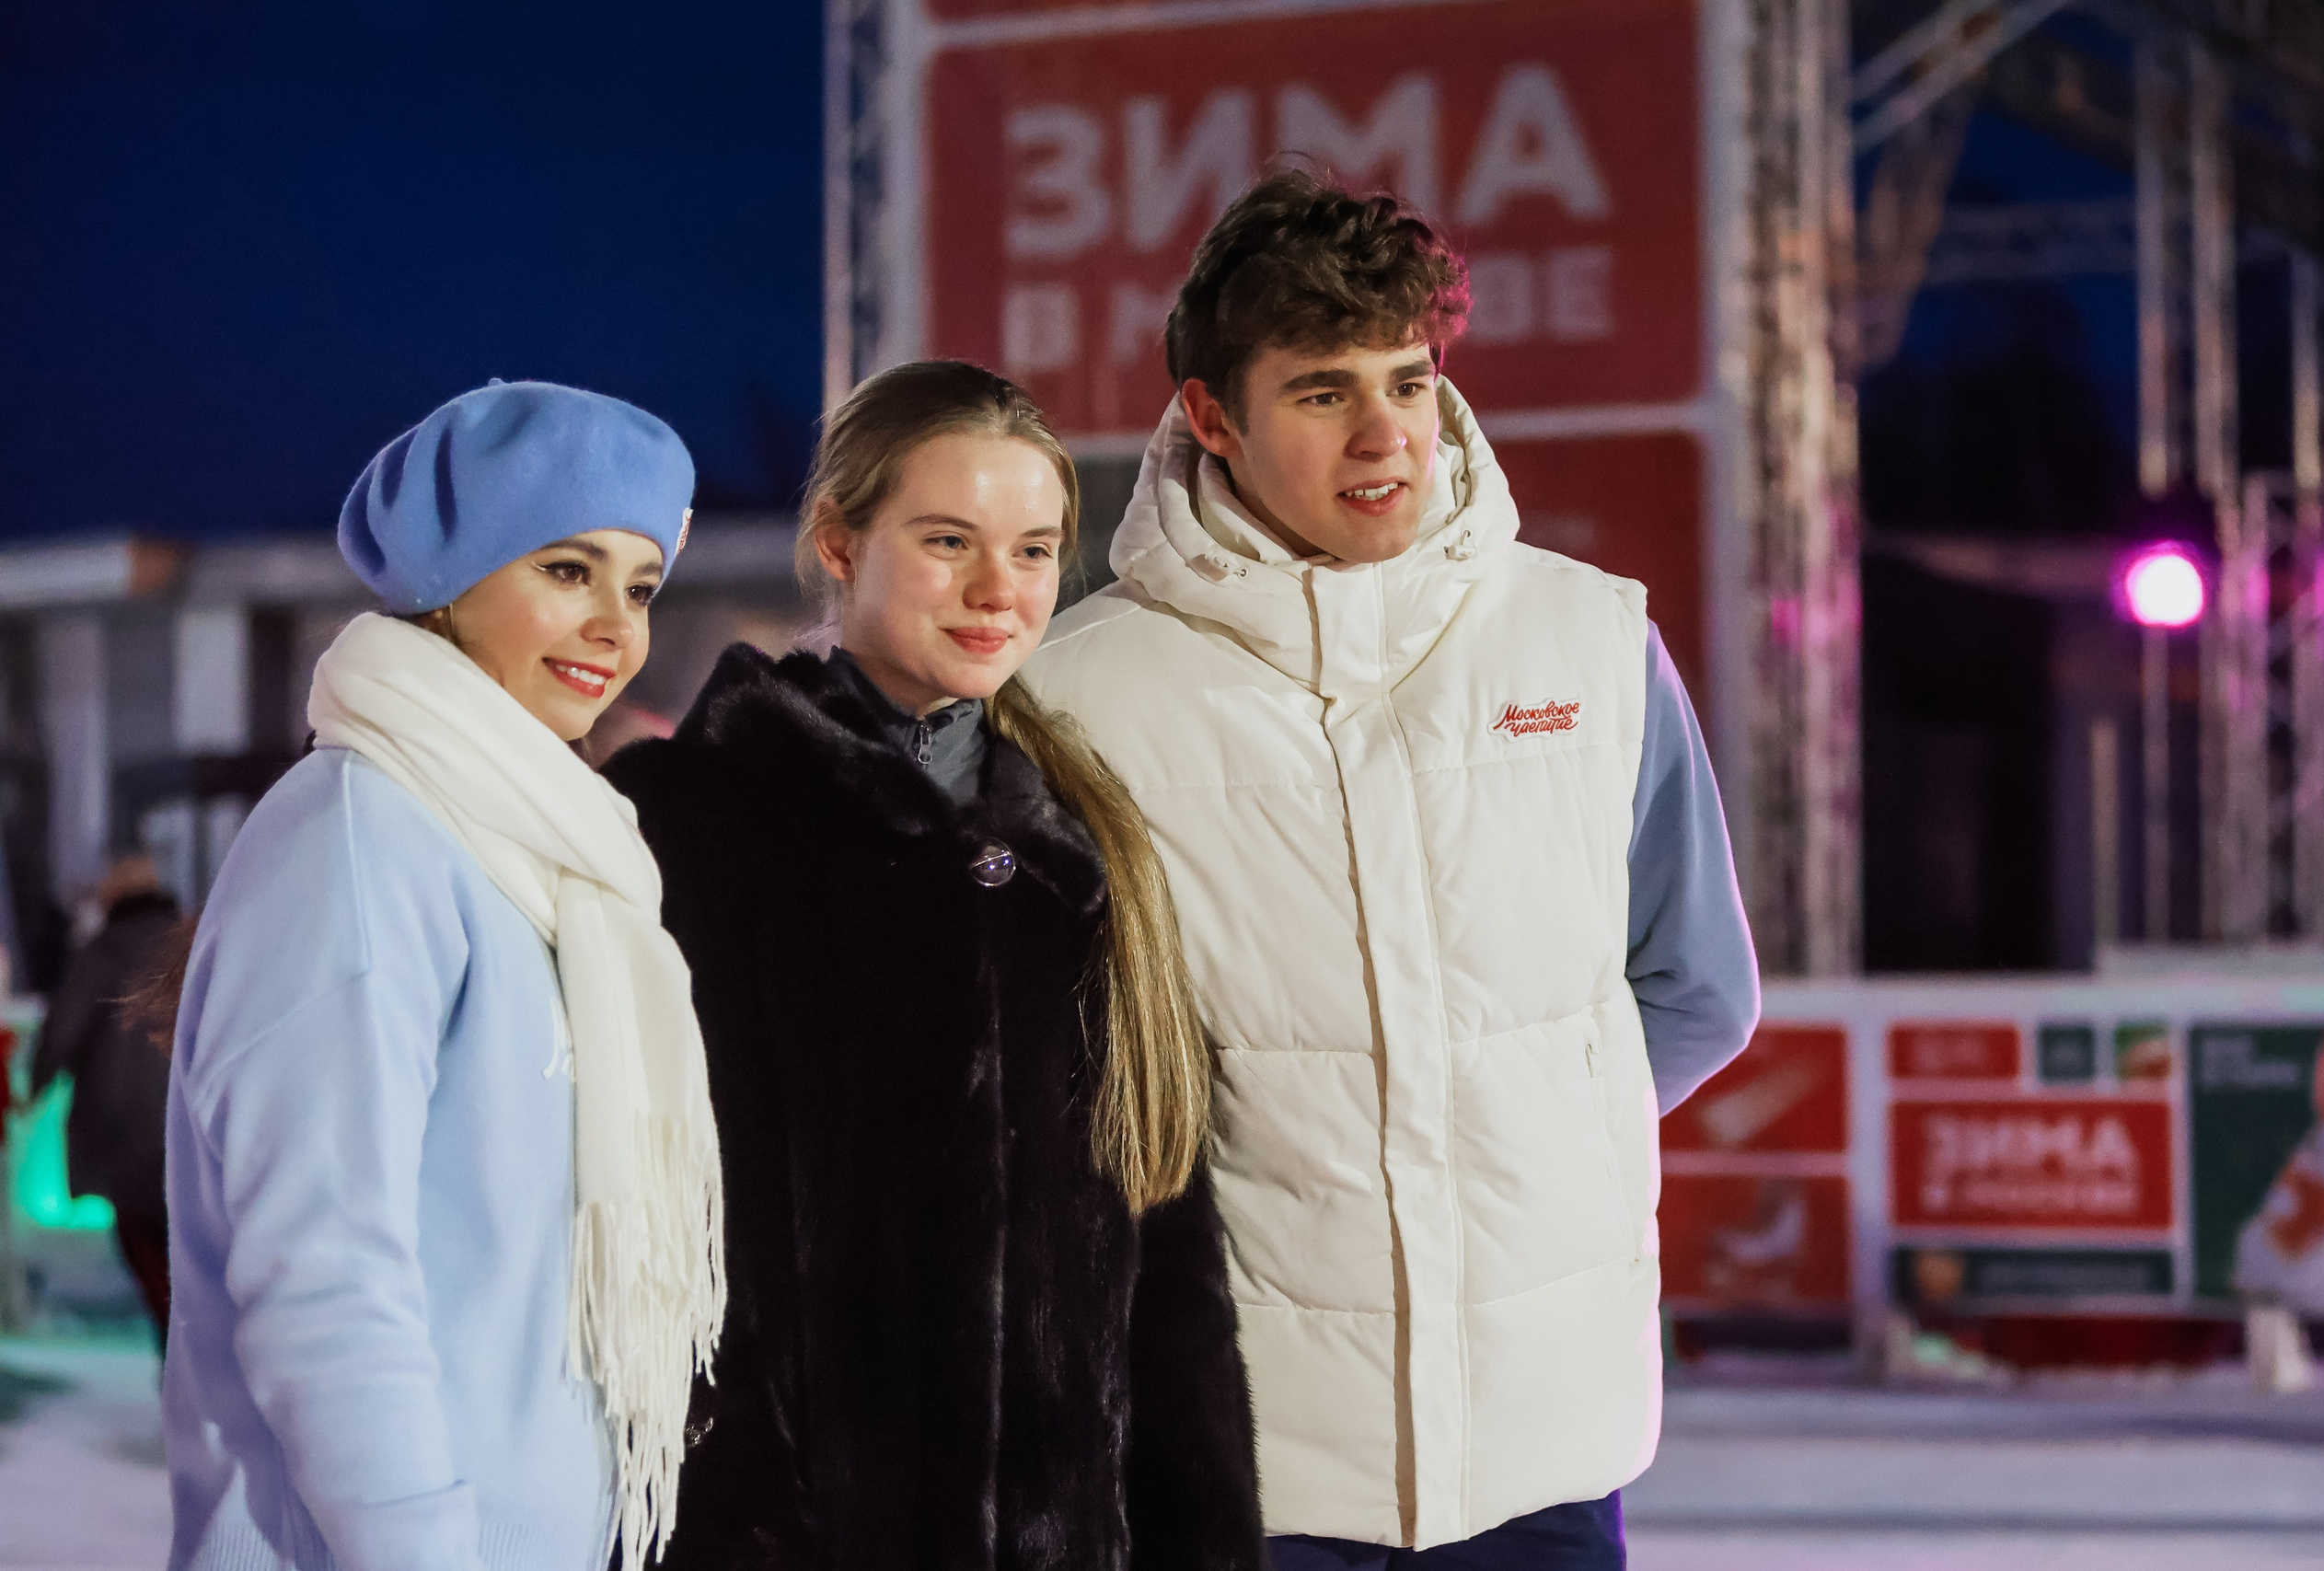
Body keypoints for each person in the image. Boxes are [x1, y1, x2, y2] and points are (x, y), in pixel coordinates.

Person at [1018, 171, 1763, 1568]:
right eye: (1320, 392)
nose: (1384, 434)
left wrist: (1528, 1143)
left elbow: (1697, 987)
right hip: (1240, 1457)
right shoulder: (1076, 695)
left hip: (1544, 1447)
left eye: (1408, 380)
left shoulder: (1588, 642)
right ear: (1212, 416)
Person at [606, 359, 1263, 1569]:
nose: (994, 589)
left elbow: (1171, 1281)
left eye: (1031, 549)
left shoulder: (1089, 844)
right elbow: (622, 1230)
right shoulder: (679, 824)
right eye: (947, 538)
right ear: (838, 541)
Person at [162, 381, 724, 1571]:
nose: (618, 629)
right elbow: (322, 1271)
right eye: (567, 569)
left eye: (641, 586)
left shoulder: (543, 850)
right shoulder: (364, 835)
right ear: (449, 577)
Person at [30, 852, 181, 1346]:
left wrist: (32, 1088)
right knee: (185, 1247)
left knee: (143, 1242)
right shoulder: (193, 942)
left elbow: (62, 1032)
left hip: (121, 1122)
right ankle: (190, 1364)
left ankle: (176, 1355)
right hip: (188, 1119)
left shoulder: (102, 952)